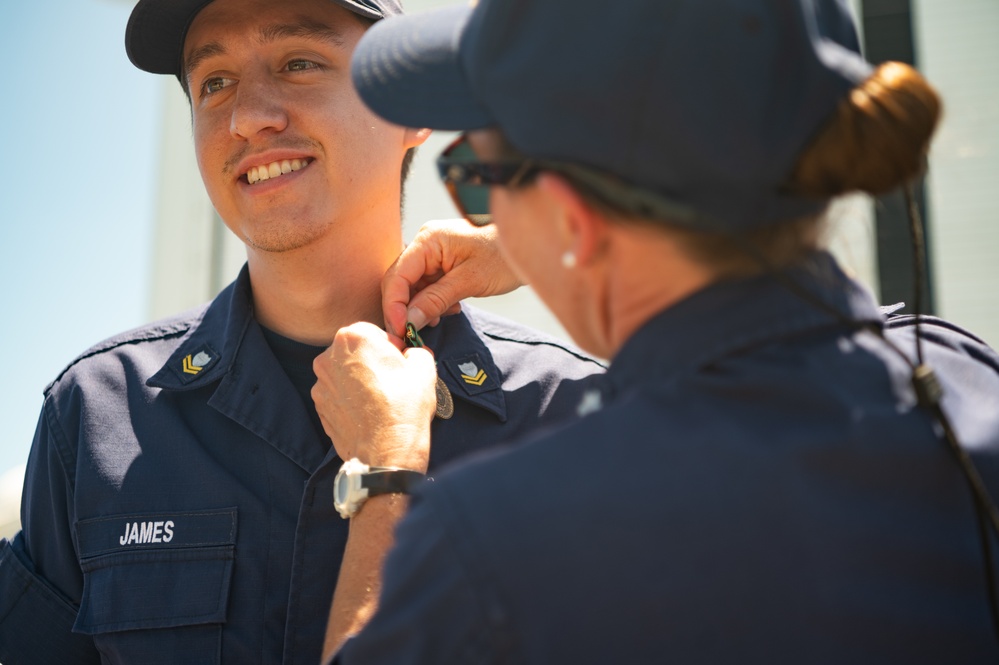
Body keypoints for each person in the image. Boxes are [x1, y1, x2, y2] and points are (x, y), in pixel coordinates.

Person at [314, 0, 999, 662]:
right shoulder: (964, 381)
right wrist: (545, 237)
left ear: (574, 218)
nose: (481, 211)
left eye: (476, 177)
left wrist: (384, 474)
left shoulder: (493, 542)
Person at [0, 0, 606, 663]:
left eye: (297, 63)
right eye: (214, 84)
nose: (247, 117)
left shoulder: (576, 417)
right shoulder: (96, 415)